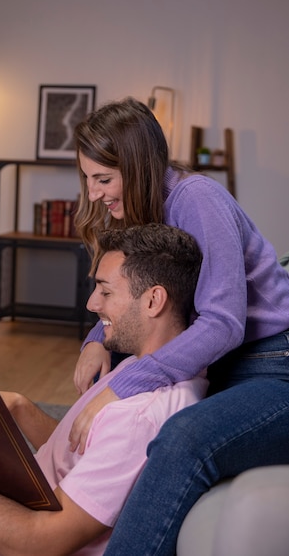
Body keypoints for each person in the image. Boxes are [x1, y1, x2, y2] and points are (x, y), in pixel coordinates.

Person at [0, 224, 207, 556]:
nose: (92, 303)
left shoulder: (140, 416)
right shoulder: (147, 366)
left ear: (153, 300)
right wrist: (20, 407)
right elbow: (81, 451)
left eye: (105, 291)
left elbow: (39, 544)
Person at [65, 96, 289, 554]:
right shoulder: (140, 211)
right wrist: (96, 341)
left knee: (182, 440)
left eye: (103, 179)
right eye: (87, 179)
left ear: (138, 166)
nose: (93, 194)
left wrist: (123, 385)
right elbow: (122, 294)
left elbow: (224, 325)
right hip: (224, 365)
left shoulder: (197, 199)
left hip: (274, 365)